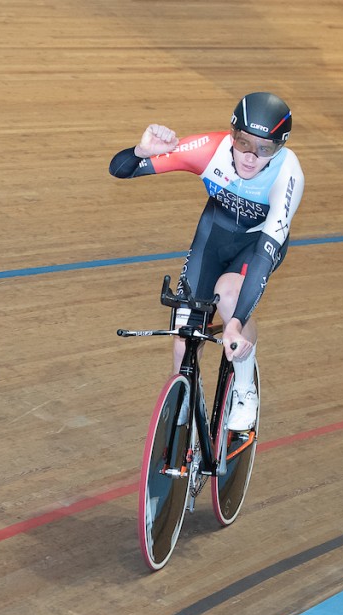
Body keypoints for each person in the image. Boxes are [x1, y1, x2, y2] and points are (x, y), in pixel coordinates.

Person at [109, 92, 304, 430]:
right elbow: (120, 170)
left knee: (229, 296)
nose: (249, 157)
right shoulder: (208, 149)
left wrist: (236, 322)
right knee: (185, 330)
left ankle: (244, 389)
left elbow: (263, 255)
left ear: (280, 147)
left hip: (256, 244)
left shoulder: (288, 175)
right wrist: (143, 151)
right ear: (232, 133)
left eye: (264, 149)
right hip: (214, 235)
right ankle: (183, 393)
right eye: (243, 142)